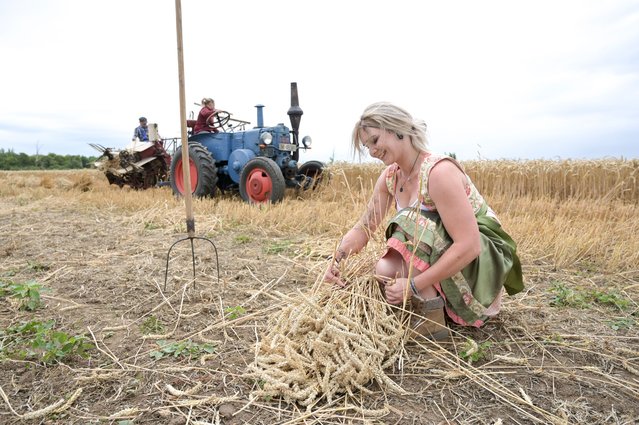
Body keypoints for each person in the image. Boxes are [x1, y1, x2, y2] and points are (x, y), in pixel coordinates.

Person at [325, 102, 523, 340]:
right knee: (387, 268)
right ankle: (434, 303)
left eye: (375, 141)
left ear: (398, 129)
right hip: (449, 252)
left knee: (410, 223)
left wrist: (413, 286)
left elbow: (469, 245)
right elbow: (365, 226)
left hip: (481, 257)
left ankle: (432, 315)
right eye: (367, 146)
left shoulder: (438, 173)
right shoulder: (390, 177)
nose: (372, 151)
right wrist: (335, 260)